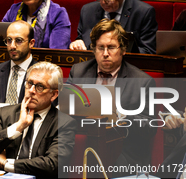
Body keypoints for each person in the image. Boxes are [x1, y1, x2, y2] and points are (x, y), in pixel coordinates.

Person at [67, 19, 156, 168]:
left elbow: (149, 127)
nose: (105, 54)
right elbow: (64, 110)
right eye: (100, 48)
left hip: (123, 152)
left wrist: (122, 115)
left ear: (123, 49)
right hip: (82, 143)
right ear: (94, 49)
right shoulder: (78, 72)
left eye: (111, 47)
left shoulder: (142, 82)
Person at [69, 0, 157, 54]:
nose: (104, 2)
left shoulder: (143, 12)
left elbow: (148, 51)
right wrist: (77, 43)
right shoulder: (87, 11)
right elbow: (82, 40)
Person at [0, 21, 37, 104]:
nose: (12, 46)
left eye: (19, 40)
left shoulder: (45, 74)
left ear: (31, 43)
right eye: (9, 40)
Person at [2, 0, 71, 49]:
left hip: (43, 65)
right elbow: (1, 41)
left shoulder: (58, 13)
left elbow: (56, 52)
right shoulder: (14, 10)